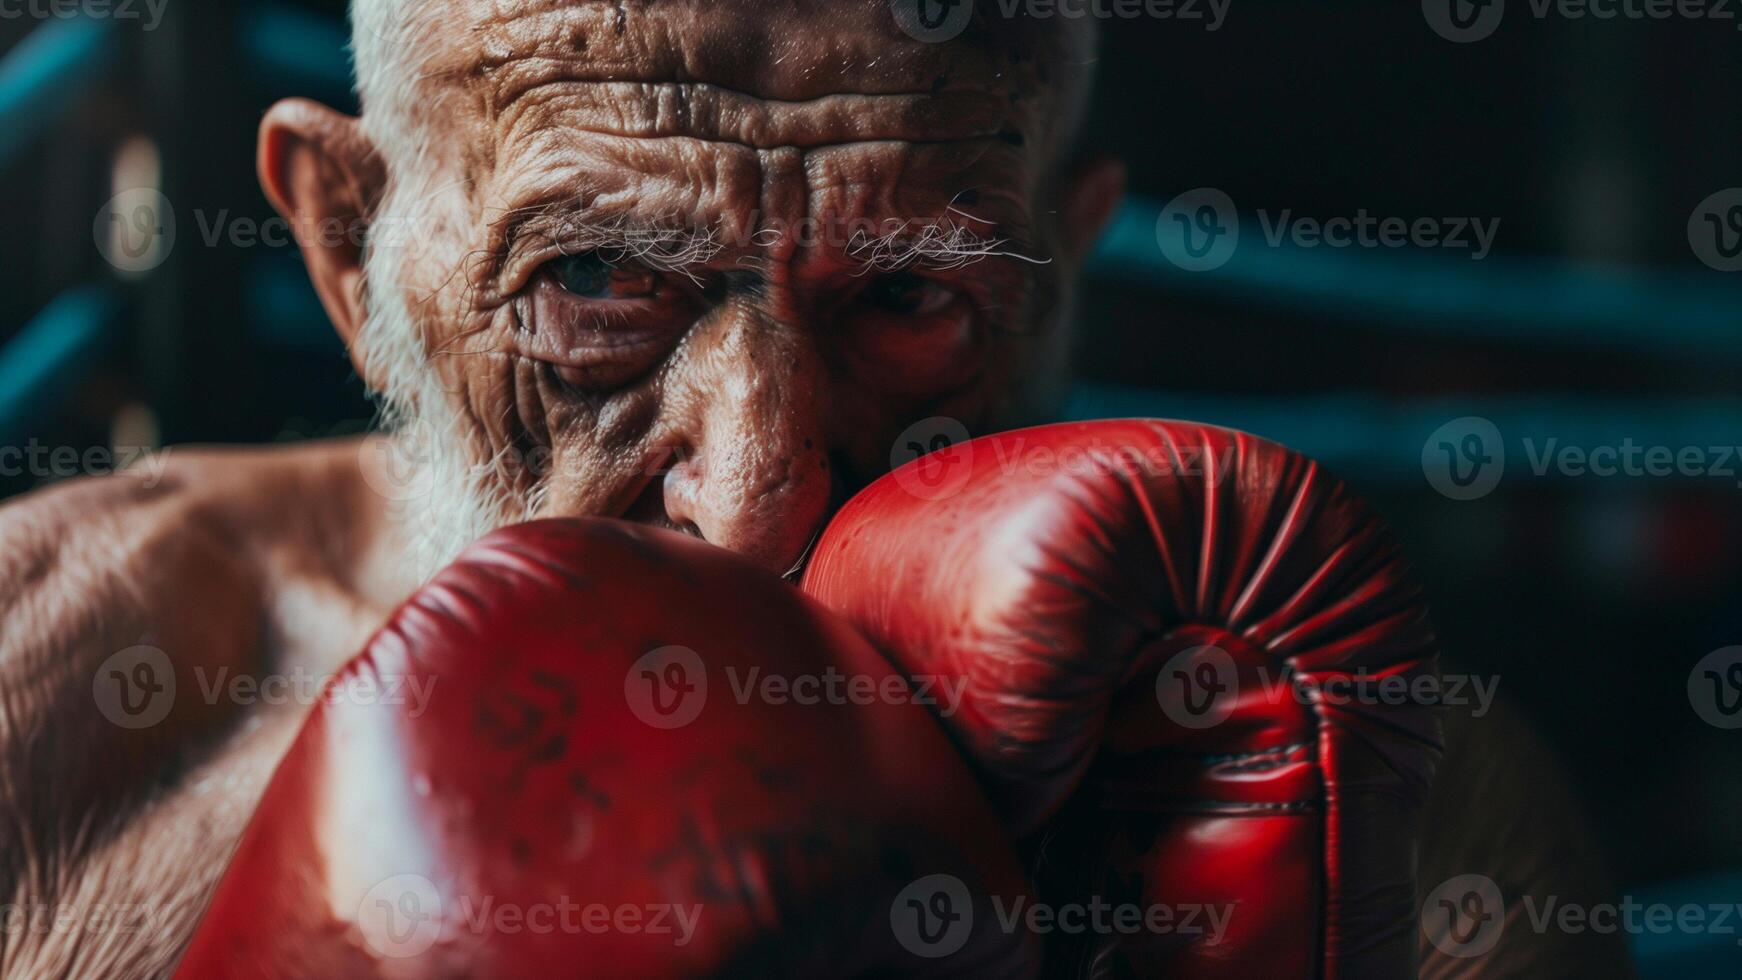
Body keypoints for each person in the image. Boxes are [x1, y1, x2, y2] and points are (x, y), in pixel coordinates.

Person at [0, 3, 1621, 977]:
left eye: (911, 302)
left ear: (1064, 265)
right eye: (595, 287)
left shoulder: (1349, 778)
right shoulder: (52, 706)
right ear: (352, 246)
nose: (757, 499)